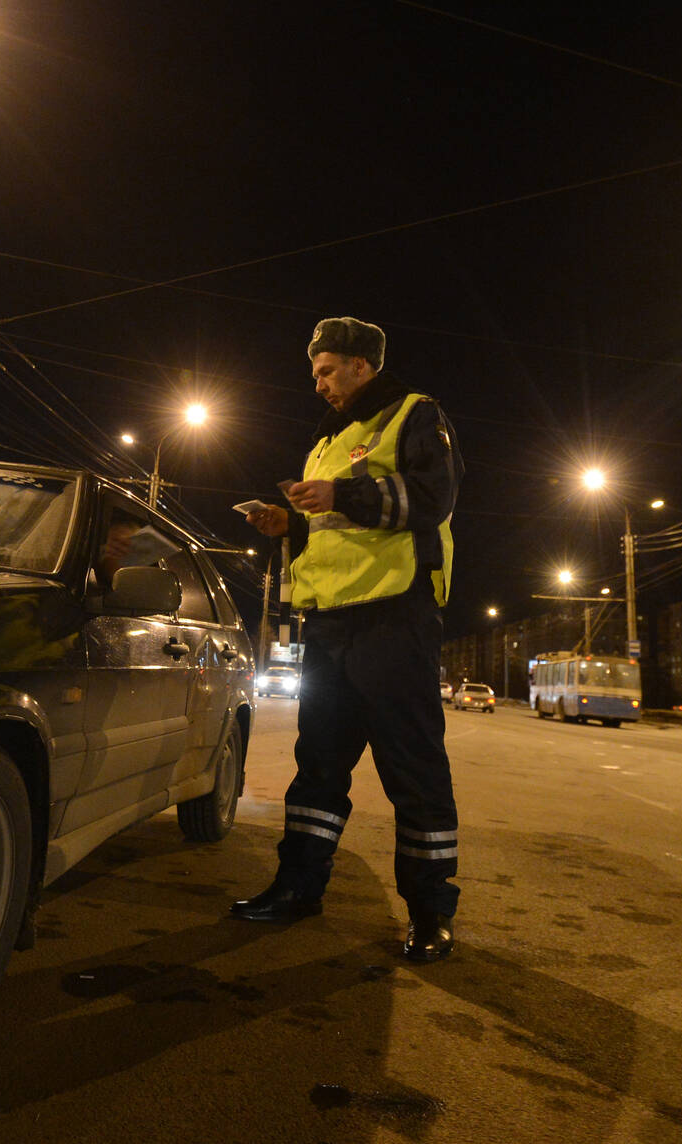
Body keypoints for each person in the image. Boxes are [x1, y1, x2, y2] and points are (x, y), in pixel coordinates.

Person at [231, 315, 464, 962]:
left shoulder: (415, 414)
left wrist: (341, 491)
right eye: (315, 373)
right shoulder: (328, 441)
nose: (319, 384)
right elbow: (332, 525)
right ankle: (297, 889)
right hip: (330, 624)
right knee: (318, 769)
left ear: (363, 365)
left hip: (394, 618)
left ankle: (430, 914)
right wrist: (289, 525)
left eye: (327, 370)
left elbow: (433, 496)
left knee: (412, 771)